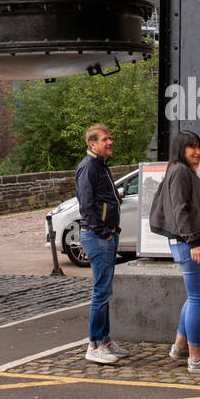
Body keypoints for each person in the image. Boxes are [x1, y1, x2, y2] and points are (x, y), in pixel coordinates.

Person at [149, 129, 200, 374]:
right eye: (192, 147)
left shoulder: (182, 171)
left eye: (199, 146)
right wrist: (192, 242)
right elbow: (180, 210)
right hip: (189, 243)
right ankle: (196, 359)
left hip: (191, 242)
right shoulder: (180, 171)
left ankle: (180, 347)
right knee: (197, 298)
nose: (198, 151)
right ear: (180, 149)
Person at [74, 125, 128, 364]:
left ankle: (104, 341)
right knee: (101, 291)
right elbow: (86, 205)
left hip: (106, 236)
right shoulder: (89, 167)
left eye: (110, 137)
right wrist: (103, 232)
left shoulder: (100, 166)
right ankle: (94, 344)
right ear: (92, 144)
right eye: (105, 139)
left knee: (105, 290)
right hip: (98, 238)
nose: (110, 142)